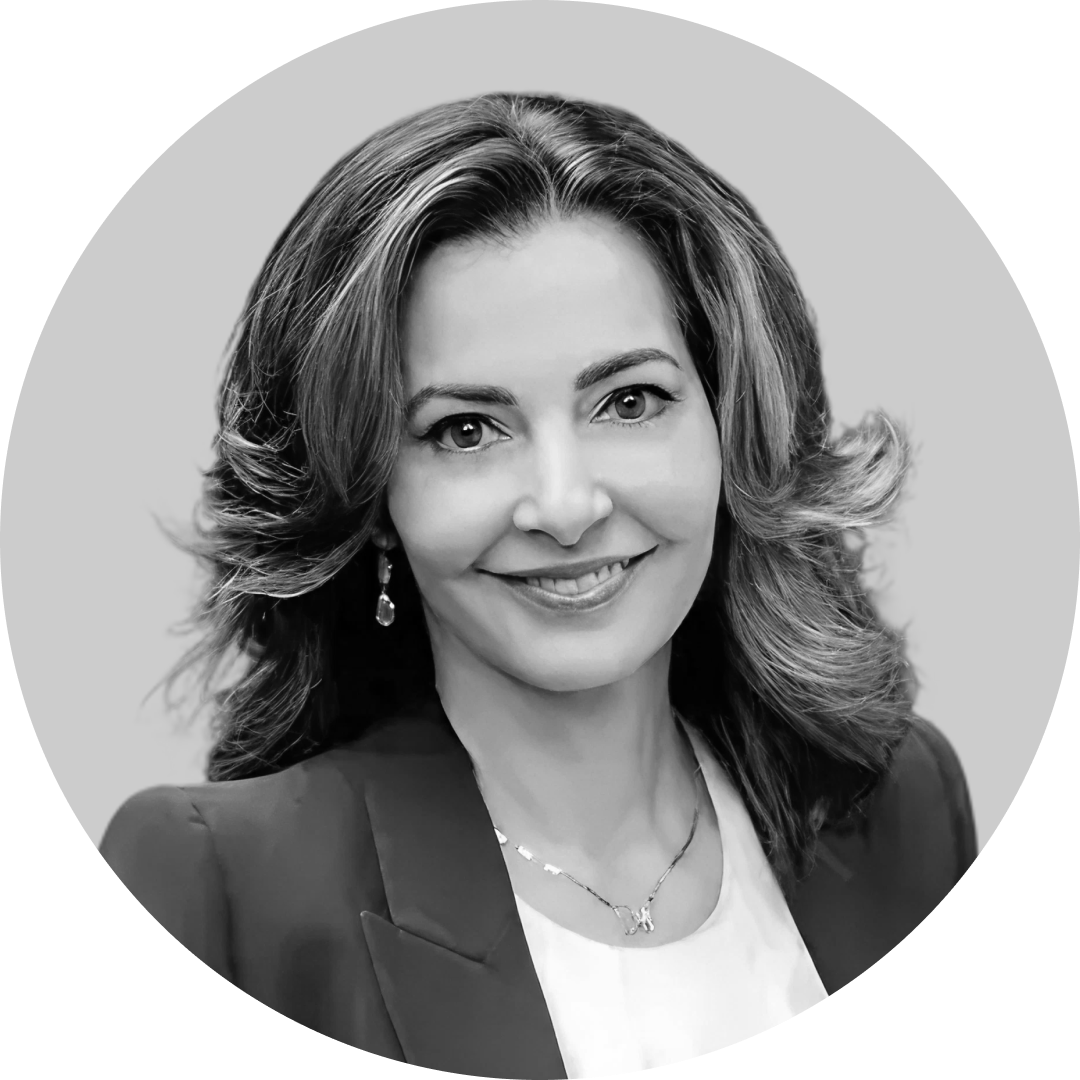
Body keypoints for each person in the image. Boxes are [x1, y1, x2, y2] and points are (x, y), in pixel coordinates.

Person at [99, 92, 976, 1078]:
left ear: (733, 429)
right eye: (466, 430)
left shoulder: (899, 807)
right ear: (369, 495)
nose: (563, 506)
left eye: (629, 401)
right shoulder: (218, 888)